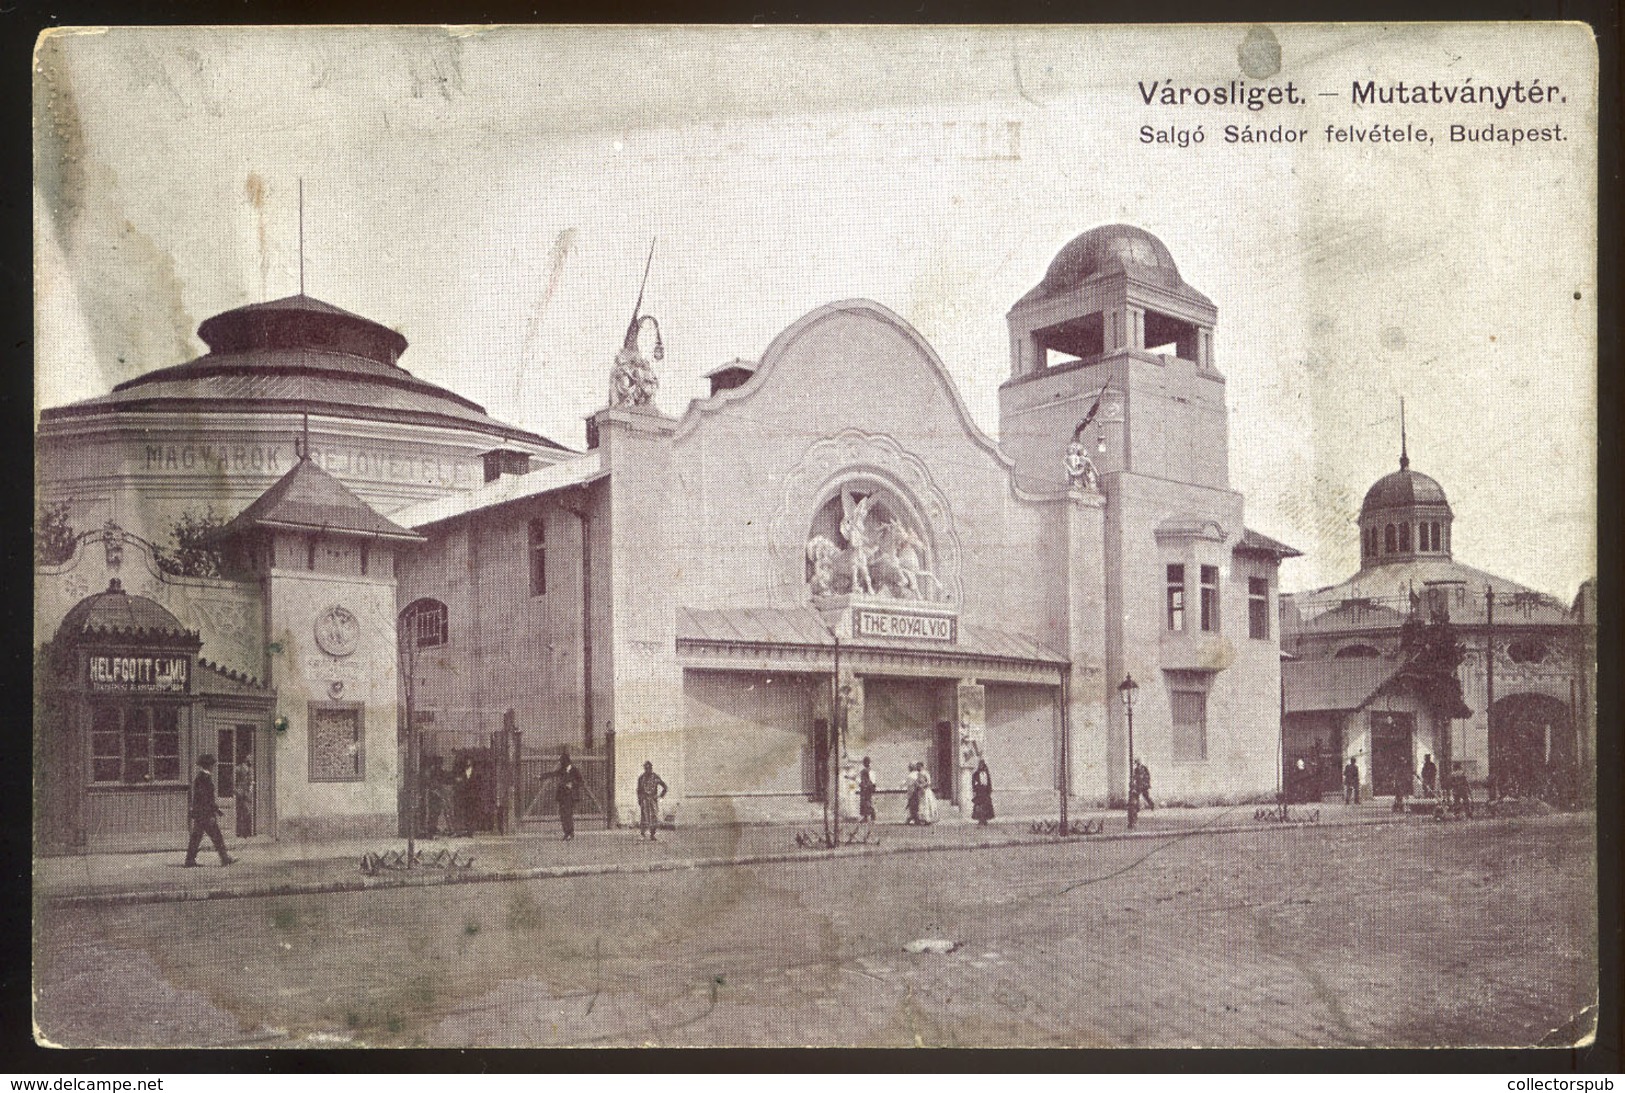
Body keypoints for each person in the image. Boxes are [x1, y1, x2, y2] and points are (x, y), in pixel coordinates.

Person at [184, 753, 234, 867]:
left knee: (196, 836)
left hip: (201, 813)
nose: (213, 767)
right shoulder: (205, 778)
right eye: (212, 764)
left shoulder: (200, 778)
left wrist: (216, 810)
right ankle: (225, 859)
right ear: (209, 765)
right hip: (205, 813)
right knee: (216, 836)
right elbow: (205, 798)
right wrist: (212, 812)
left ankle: (190, 860)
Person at [556, 751, 584, 841]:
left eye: (562, 762)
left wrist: (572, 784)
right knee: (563, 815)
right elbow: (552, 773)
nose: (561, 763)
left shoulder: (574, 770)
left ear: (567, 762)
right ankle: (567, 833)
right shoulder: (563, 770)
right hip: (562, 796)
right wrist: (540, 776)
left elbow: (581, 781)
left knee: (568, 814)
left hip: (570, 796)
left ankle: (570, 833)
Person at [636, 760, 668, 840]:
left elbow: (665, 787)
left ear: (651, 768)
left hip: (653, 799)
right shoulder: (641, 778)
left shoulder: (655, 777)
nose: (647, 770)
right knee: (644, 816)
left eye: (649, 768)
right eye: (646, 768)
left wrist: (660, 797)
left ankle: (652, 834)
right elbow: (639, 790)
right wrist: (640, 800)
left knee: (654, 816)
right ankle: (643, 834)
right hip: (644, 799)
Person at [233, 753, 255, 838]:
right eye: (249, 757)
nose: (251, 759)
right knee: (241, 812)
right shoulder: (238, 768)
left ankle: (245, 832)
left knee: (246, 812)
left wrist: (250, 788)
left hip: (246, 793)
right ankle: (240, 832)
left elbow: (251, 781)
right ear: (245, 758)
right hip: (241, 792)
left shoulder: (250, 769)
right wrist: (236, 789)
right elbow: (233, 779)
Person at [971, 759, 995, 825]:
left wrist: (989, 790)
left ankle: (985, 819)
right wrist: (975, 791)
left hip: (985, 792)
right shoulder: (976, 774)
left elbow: (989, 782)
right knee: (979, 806)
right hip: (979, 792)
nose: (981, 766)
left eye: (982, 765)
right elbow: (974, 783)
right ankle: (980, 820)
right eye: (980, 765)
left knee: (986, 806)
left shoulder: (986, 774)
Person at [858, 757, 878, 824]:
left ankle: (873, 818)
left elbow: (873, 781)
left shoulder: (869, 771)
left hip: (867, 789)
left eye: (866, 762)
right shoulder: (863, 771)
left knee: (868, 803)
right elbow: (862, 780)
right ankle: (865, 818)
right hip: (864, 789)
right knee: (864, 803)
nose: (865, 763)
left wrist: (871, 787)